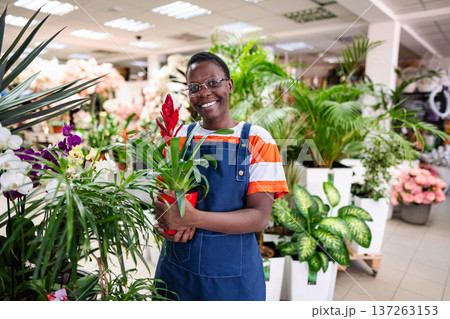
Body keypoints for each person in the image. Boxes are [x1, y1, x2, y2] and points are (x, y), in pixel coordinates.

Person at [153, 51, 289, 301]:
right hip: (176, 273)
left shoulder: (258, 139)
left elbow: (259, 217)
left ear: (229, 85)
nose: (204, 93)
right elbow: (162, 194)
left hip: (232, 282)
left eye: (212, 83)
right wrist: (165, 216)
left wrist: (192, 218)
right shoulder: (179, 137)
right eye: (194, 87)